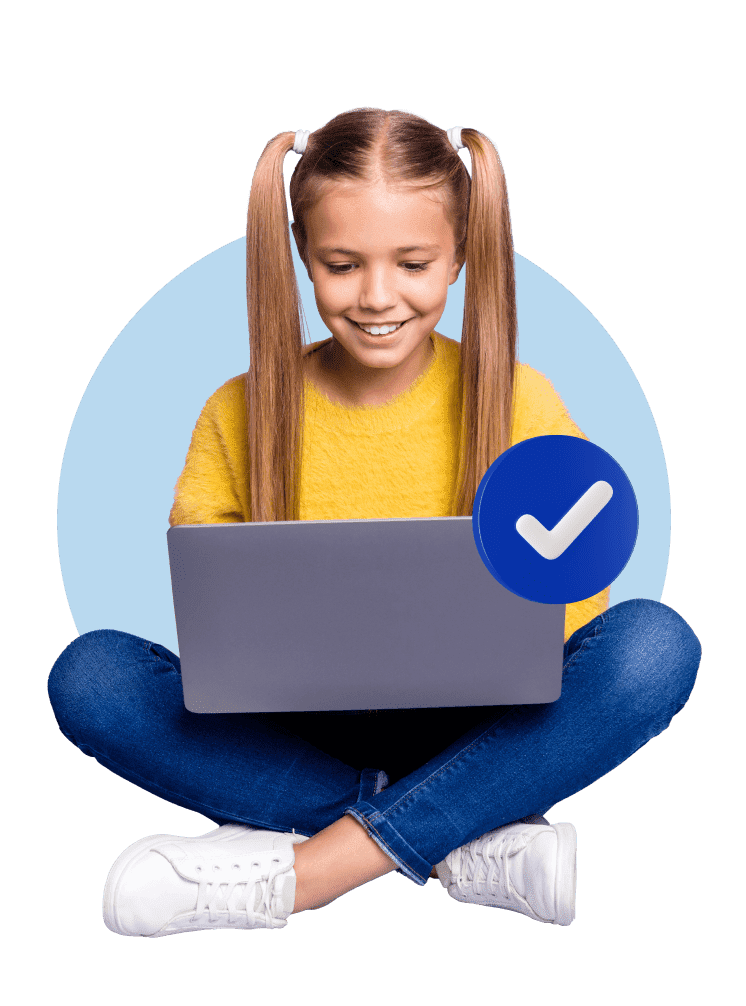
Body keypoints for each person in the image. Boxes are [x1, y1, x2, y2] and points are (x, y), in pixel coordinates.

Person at [47, 107, 701, 937]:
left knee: (656, 647)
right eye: (343, 264)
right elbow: (212, 619)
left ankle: (313, 872)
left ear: (461, 254)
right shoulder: (236, 409)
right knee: (91, 677)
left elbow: (576, 614)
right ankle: (457, 838)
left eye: (414, 262)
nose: (378, 296)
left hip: (480, 725)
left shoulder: (523, 400)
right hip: (293, 731)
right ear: (300, 253)